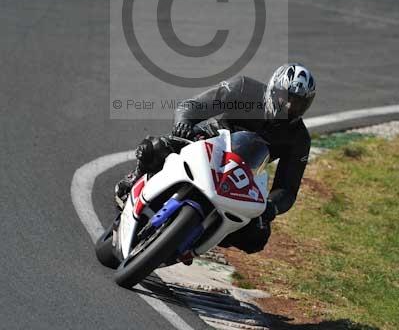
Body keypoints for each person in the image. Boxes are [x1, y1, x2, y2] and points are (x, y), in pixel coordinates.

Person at [115, 63, 316, 254]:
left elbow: (287, 188)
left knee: (257, 236)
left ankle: (202, 237)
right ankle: (136, 177)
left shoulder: (299, 138)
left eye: (298, 103)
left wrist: (272, 206)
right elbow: (193, 106)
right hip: (206, 142)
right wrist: (184, 122)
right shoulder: (244, 88)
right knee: (155, 147)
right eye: (286, 98)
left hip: (242, 174)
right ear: (274, 89)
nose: (289, 106)